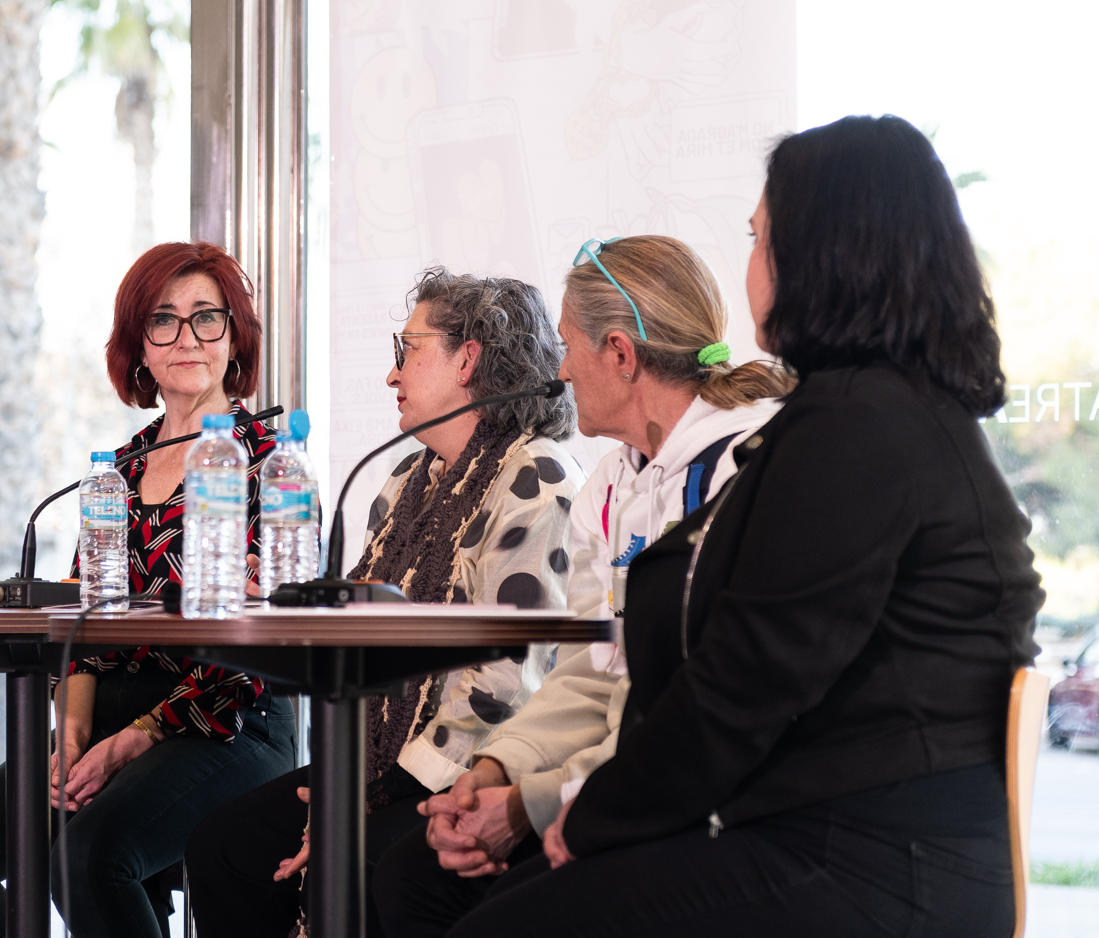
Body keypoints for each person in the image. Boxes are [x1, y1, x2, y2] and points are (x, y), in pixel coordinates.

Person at [436, 115, 1044, 937]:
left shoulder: (860, 430)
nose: (750, 262)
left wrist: (589, 818)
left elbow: (741, 686)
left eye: (759, 238)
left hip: (873, 866)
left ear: (823, 254)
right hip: (859, 840)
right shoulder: (880, 410)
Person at [372, 235, 792, 937]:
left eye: (568, 346)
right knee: (412, 874)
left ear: (620, 354)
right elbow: (592, 670)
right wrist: (493, 770)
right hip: (618, 778)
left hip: (712, 805)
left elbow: (687, 705)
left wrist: (533, 804)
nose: (560, 369)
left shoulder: (739, 468)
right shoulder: (610, 484)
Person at [0, 241, 297, 938]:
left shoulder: (269, 461)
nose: (187, 337)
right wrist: (74, 735)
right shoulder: (117, 469)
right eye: (163, 320)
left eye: (207, 317)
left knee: (85, 860)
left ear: (234, 336)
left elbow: (256, 643)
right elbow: (82, 623)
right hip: (114, 711)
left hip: (229, 718)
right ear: (138, 346)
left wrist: (132, 741)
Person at [185, 268, 585, 938]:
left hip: (473, 766)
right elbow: (363, 627)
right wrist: (284, 602)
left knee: (360, 863)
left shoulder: (537, 478)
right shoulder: (407, 480)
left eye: (408, 350)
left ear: (468, 359)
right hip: (379, 758)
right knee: (223, 847)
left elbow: (511, 678)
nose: (391, 375)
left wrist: (380, 790)